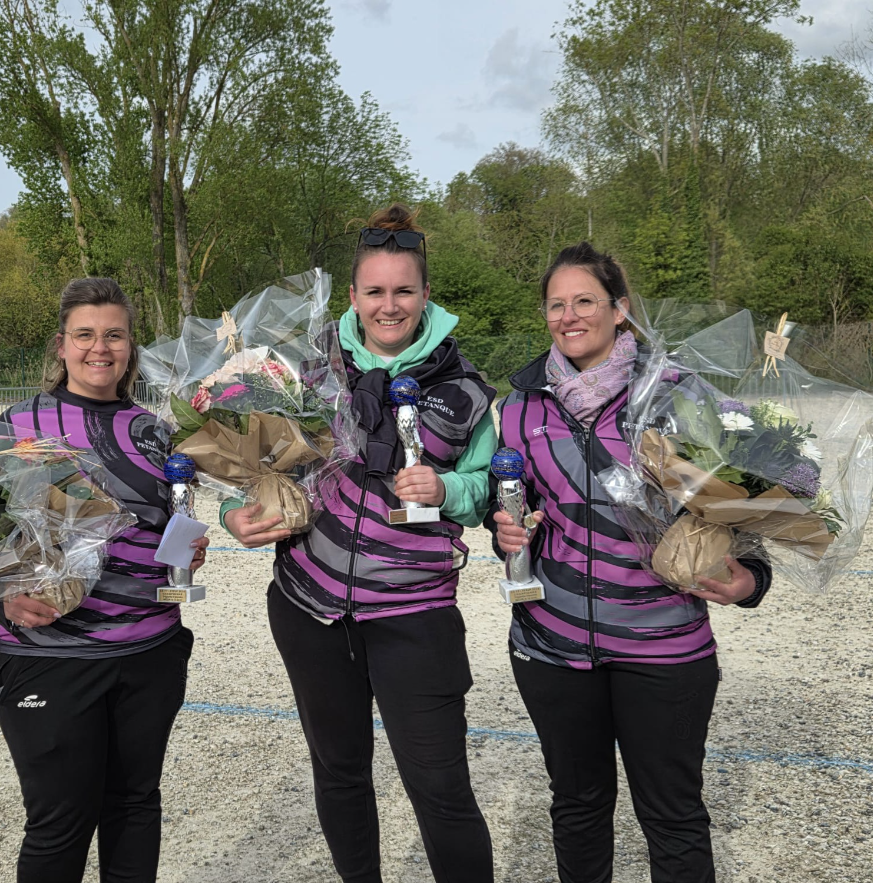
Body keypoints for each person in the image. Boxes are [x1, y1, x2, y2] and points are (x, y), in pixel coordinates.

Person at [223, 203, 497, 883]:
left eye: (403, 290)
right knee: (339, 772)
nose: (388, 305)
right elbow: (253, 463)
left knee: (440, 788)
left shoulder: (465, 388)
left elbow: (488, 490)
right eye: (374, 291)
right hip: (310, 610)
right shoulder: (303, 372)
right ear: (352, 296)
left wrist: (447, 488)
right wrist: (235, 513)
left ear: (426, 294)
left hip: (414, 616)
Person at [487, 242, 771, 883]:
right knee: (577, 807)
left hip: (664, 644)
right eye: (555, 305)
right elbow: (512, 502)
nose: (568, 316)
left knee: (672, 816)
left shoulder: (675, 391)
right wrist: (504, 526)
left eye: (584, 301)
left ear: (620, 310)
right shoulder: (522, 405)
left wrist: (752, 580)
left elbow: (745, 499)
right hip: (553, 643)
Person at [0, 278, 210, 883]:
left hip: (149, 650)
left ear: (131, 346)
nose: (99, 348)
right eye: (85, 335)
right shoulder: (19, 426)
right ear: (61, 345)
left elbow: (171, 522)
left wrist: (187, 550)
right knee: (59, 824)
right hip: (52, 654)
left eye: (114, 335)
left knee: (135, 807)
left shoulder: (156, 431)